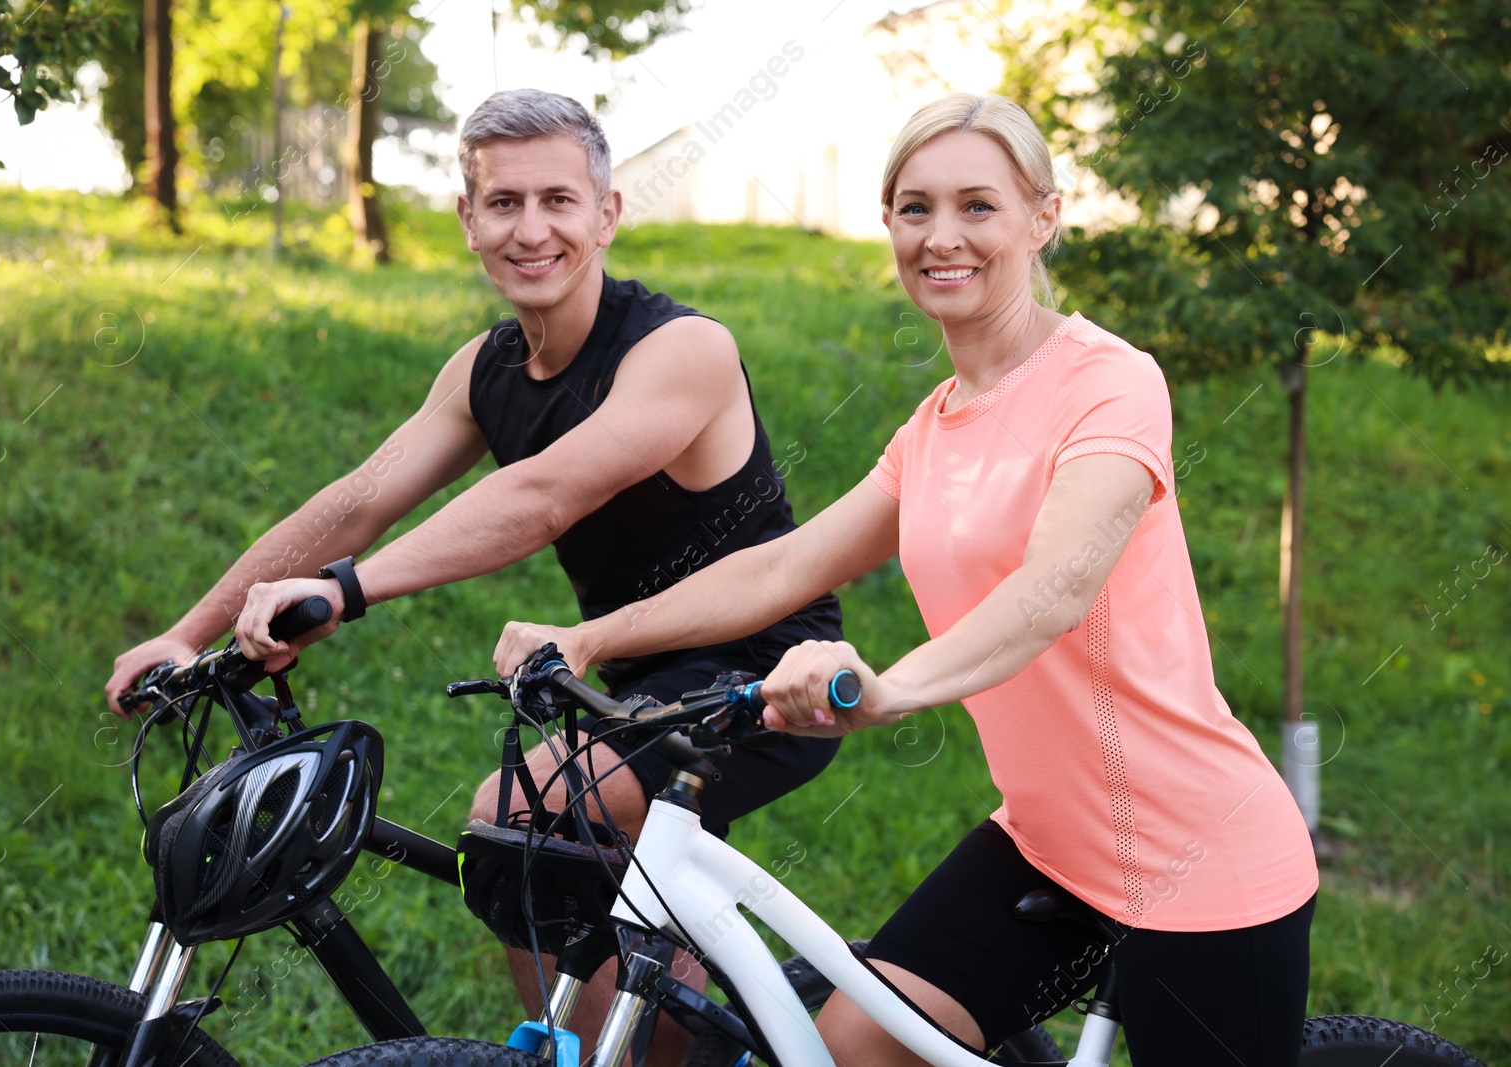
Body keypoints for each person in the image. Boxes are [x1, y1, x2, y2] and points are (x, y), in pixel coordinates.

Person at [496, 92, 1320, 1067]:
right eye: (915, 207)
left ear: (1041, 216)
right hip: (1049, 845)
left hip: (1198, 862)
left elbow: (1053, 587)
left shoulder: (1108, 380)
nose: (942, 236)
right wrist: (593, 638)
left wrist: (893, 688)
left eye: (978, 205)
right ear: (887, 223)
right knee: (846, 1048)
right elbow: (785, 564)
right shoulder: (934, 425)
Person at [105, 88, 843, 1059]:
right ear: (467, 219)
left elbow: (542, 495)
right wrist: (189, 631)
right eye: (502, 204)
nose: (530, 229)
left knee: (523, 812)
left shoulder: (683, 349)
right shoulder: (484, 370)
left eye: (558, 201)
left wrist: (347, 590)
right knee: (554, 869)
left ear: (607, 213)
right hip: (620, 683)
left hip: (764, 676)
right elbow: (359, 497)